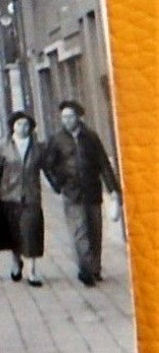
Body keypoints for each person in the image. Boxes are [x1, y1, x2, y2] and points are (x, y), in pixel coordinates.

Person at [42, 99, 123, 286]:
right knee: (79, 232)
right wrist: (57, 184)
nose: (67, 120)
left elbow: (103, 163)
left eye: (70, 116)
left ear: (78, 117)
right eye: (64, 117)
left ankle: (95, 268)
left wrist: (113, 190)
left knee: (95, 231)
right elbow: (48, 165)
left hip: (92, 190)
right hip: (71, 192)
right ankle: (85, 269)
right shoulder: (57, 139)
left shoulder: (91, 137)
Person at [0, 110, 48, 287]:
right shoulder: (3, 147)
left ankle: (33, 271)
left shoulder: (37, 148)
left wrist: (59, 184)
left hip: (31, 197)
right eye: (19, 124)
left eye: (26, 125)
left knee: (32, 233)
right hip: (9, 196)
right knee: (13, 234)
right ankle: (16, 263)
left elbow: (47, 168)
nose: (23, 128)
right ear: (13, 127)